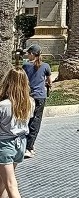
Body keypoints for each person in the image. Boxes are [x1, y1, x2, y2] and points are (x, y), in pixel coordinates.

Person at [0, 67, 31, 198]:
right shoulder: (29, 103)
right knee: (3, 182)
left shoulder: (3, 105)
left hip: (5, 144)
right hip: (20, 143)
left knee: (10, 184)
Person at [21, 45, 51, 158]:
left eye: (28, 53)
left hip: (28, 96)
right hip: (40, 97)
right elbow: (49, 81)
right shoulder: (46, 66)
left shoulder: (25, 66)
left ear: (33, 54)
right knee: (36, 121)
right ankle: (29, 147)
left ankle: (26, 145)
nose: (27, 55)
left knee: (26, 120)